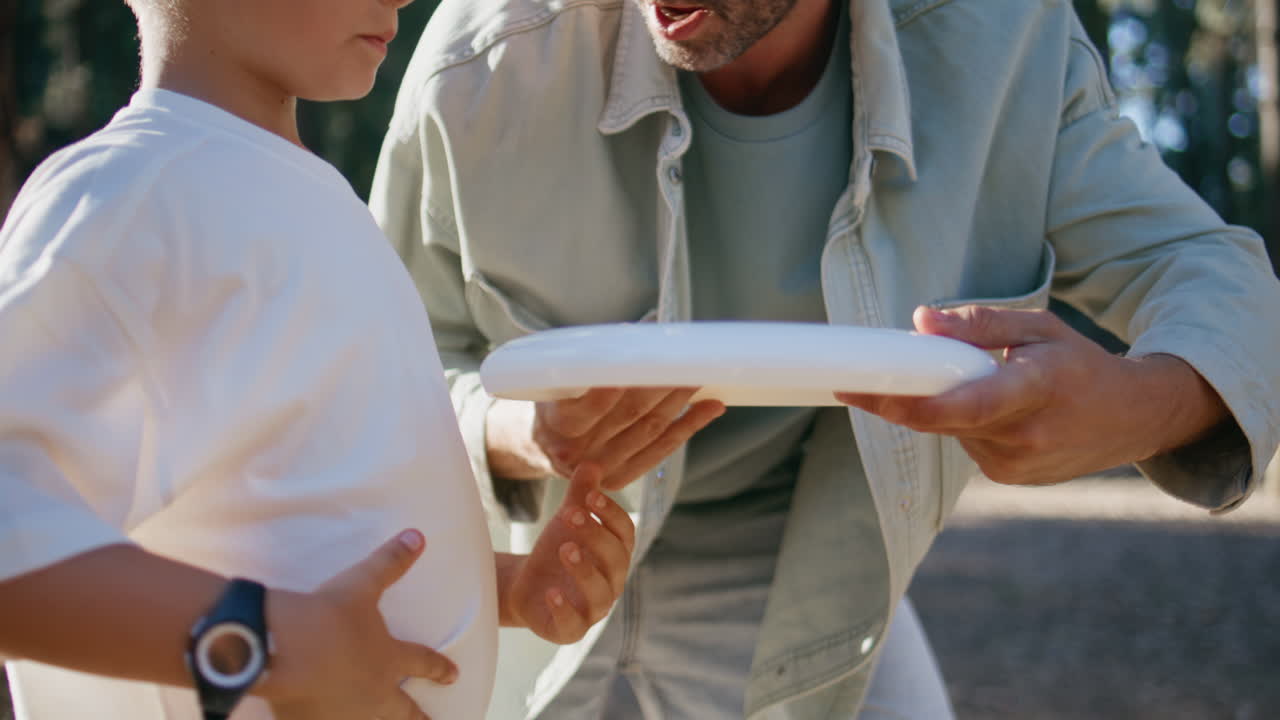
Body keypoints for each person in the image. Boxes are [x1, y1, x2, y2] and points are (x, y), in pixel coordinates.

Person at [370, 0, 1280, 716]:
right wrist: (519, 433)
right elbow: (376, 381)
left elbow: (1208, 271)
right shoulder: (478, 61)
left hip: (805, 577)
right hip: (529, 568)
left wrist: (1141, 404)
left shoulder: (1005, 44)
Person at [0, 0, 637, 718]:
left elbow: (300, 519)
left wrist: (509, 590)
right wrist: (272, 645)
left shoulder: (310, 197)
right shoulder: (135, 199)